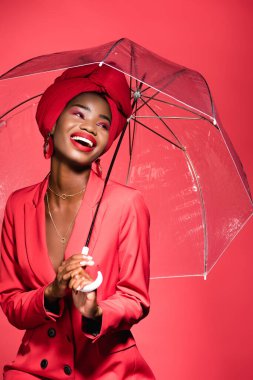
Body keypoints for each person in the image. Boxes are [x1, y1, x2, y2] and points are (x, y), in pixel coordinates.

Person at [0, 63, 155, 379]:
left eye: (103, 124)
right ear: (53, 122)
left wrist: (94, 311)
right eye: (79, 114)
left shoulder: (127, 204)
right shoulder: (17, 205)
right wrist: (51, 292)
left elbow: (135, 299)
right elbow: (10, 300)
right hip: (35, 369)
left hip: (109, 370)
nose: (91, 128)